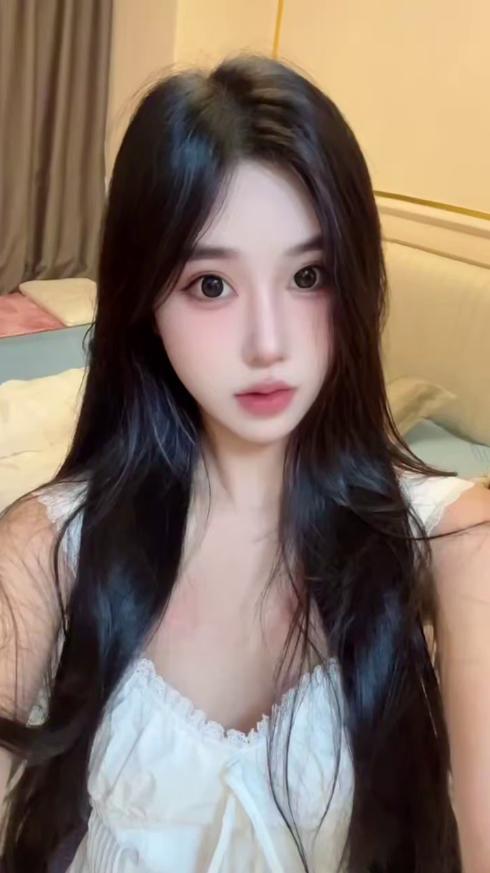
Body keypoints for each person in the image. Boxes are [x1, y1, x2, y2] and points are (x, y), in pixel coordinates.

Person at [0, 53, 489, 873]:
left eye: (308, 275)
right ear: (144, 303)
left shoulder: (454, 539)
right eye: (210, 285)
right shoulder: (45, 545)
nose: (268, 342)